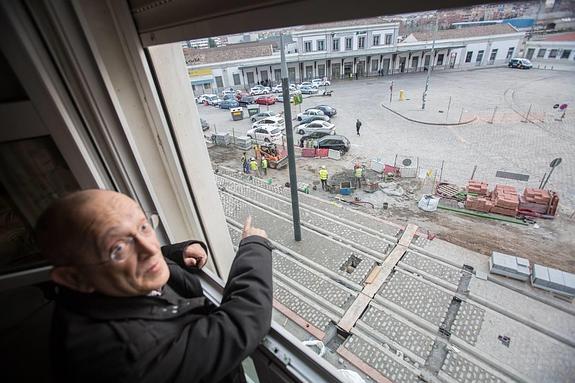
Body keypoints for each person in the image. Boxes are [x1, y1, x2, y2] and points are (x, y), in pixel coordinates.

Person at [35, 190, 272, 383]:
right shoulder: (129, 357)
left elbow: (141, 255)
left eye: (144, 227)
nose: (150, 249)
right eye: (118, 248)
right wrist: (254, 246)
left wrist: (176, 253)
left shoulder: (92, 286)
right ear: (74, 278)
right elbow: (241, 324)